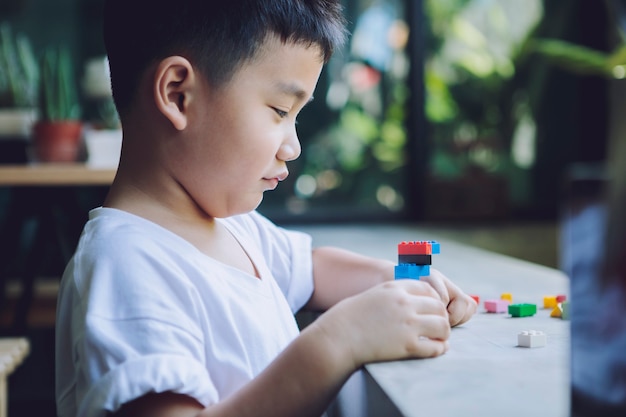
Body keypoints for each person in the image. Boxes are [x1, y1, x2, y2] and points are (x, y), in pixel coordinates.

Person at [55, 1, 477, 416]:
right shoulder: (126, 267)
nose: (292, 147)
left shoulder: (234, 228)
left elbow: (311, 270)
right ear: (178, 94)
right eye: (279, 111)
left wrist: (397, 280)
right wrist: (340, 341)